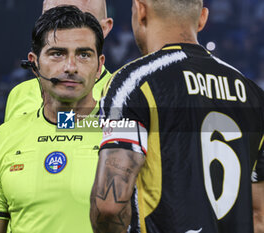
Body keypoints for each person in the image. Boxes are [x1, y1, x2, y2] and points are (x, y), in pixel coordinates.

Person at [90, 0, 264, 232]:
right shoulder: (254, 95)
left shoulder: (134, 83)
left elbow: (109, 205)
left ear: (141, 11)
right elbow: (259, 215)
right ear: (202, 18)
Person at [0, 6, 105, 233]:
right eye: (57, 54)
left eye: (84, 54)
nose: (70, 67)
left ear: (100, 66)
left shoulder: (126, 131)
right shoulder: (1, 141)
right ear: (34, 63)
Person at [4, 0, 113, 122]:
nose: (64, 29)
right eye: (51, 18)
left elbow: (64, 131)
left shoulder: (121, 94)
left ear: (104, 28)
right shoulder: (20, 93)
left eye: (79, 19)